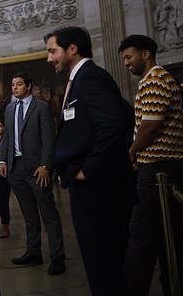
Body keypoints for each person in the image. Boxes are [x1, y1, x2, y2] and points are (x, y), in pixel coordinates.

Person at [44, 26, 134, 296]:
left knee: (103, 260)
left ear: (72, 49)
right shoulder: (77, 81)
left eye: (52, 51)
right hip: (88, 186)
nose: (49, 59)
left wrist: (89, 170)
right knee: (96, 259)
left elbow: (116, 125)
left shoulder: (90, 77)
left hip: (99, 188)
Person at [118, 35, 183, 296]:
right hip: (168, 163)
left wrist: (132, 151)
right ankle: (179, 285)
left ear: (146, 54)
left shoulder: (156, 78)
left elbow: (150, 125)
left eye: (129, 57)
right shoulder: (154, 79)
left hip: (161, 167)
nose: (127, 63)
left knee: (141, 233)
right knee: (170, 231)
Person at [0, 72, 65, 275]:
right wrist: (2, 160)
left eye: (19, 84)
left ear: (28, 86)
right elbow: (6, 137)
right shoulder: (9, 109)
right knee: (28, 214)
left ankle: (57, 257)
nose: (15, 88)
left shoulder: (42, 107)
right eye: (12, 84)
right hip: (15, 169)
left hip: (37, 169)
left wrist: (46, 164)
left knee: (48, 213)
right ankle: (33, 252)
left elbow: (49, 138)